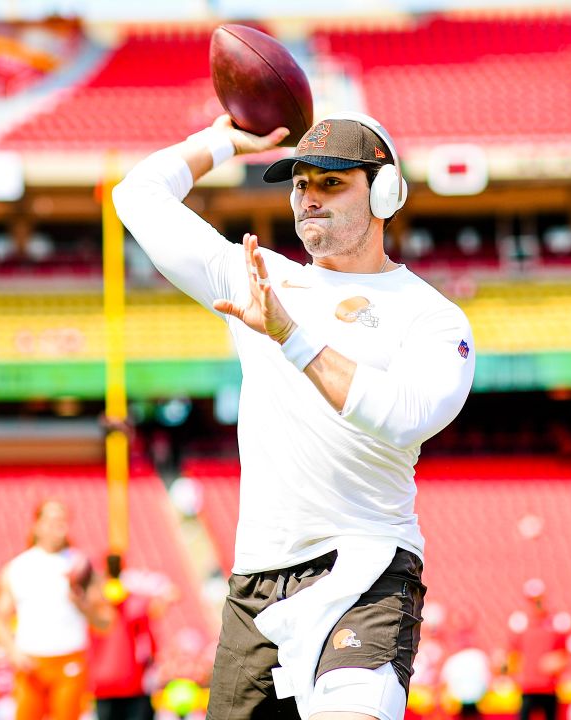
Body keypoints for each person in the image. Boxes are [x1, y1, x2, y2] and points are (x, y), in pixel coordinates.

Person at [113, 110, 475, 720]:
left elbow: (407, 414)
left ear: (383, 191)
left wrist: (290, 335)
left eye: (332, 182)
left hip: (367, 571)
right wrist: (223, 140)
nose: (309, 197)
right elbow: (138, 197)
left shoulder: (432, 317)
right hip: (256, 582)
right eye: (300, 182)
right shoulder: (262, 279)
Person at [0, 499, 112, 720]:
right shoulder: (18, 568)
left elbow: (105, 621)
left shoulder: (80, 565)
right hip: (31, 663)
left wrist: (82, 604)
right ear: (37, 525)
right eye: (51, 520)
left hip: (69, 660)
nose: (58, 526)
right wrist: (13, 652)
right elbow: (0, 619)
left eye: (62, 520)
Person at [88, 565, 157, 720]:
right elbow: (149, 646)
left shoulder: (95, 608)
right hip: (129, 684)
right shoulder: (134, 606)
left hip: (113, 685)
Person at [507, 580, 566, 720]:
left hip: (549, 688)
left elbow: (563, 655)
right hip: (528, 687)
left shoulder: (555, 625)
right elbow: (513, 655)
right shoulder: (521, 625)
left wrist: (558, 662)